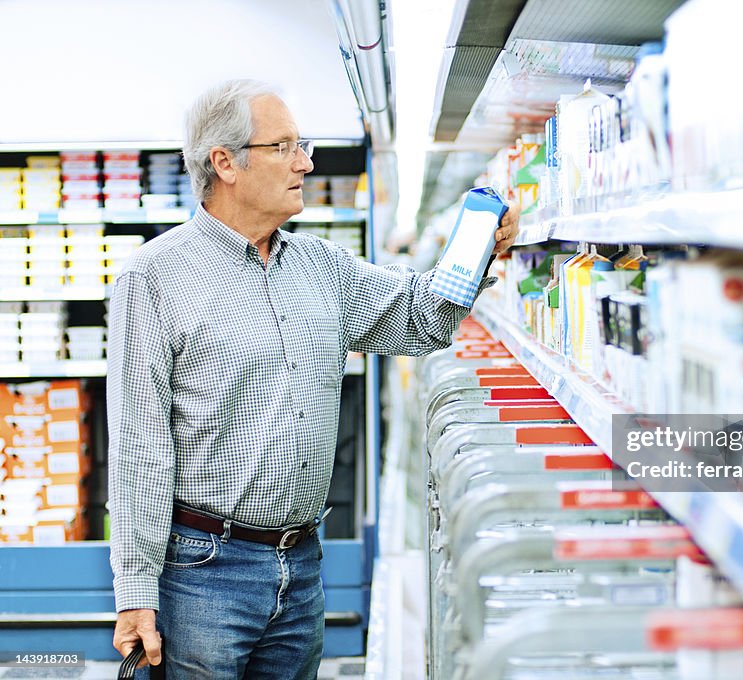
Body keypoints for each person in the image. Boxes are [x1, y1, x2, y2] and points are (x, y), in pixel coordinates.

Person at [107, 79, 519, 678]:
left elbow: (416, 318)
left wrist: (476, 250)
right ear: (225, 163)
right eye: (284, 146)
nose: (304, 162)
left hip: (301, 567)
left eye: (304, 145)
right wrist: (136, 590)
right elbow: (139, 444)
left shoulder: (319, 266)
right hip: (203, 574)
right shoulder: (154, 278)